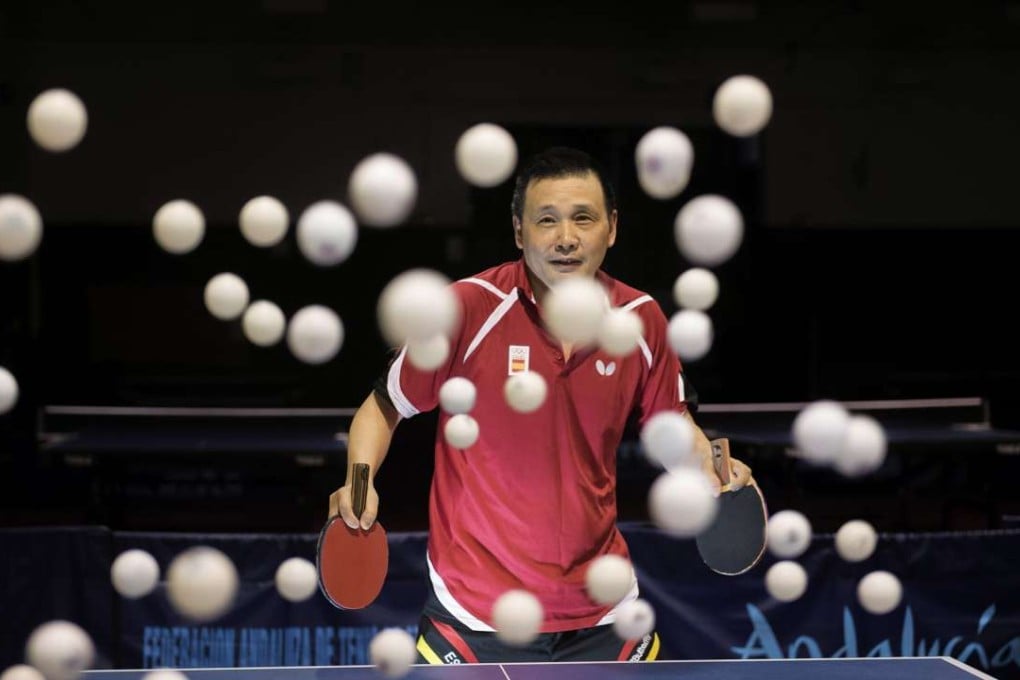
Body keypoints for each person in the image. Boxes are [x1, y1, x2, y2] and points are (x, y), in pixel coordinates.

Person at [328, 146, 752, 663]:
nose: (566, 238)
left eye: (583, 218)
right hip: (475, 615)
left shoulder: (640, 320)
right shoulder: (466, 309)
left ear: (611, 227)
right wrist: (360, 479)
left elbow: (673, 427)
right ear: (519, 231)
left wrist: (711, 468)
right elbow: (383, 407)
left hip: (604, 614)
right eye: (546, 220)